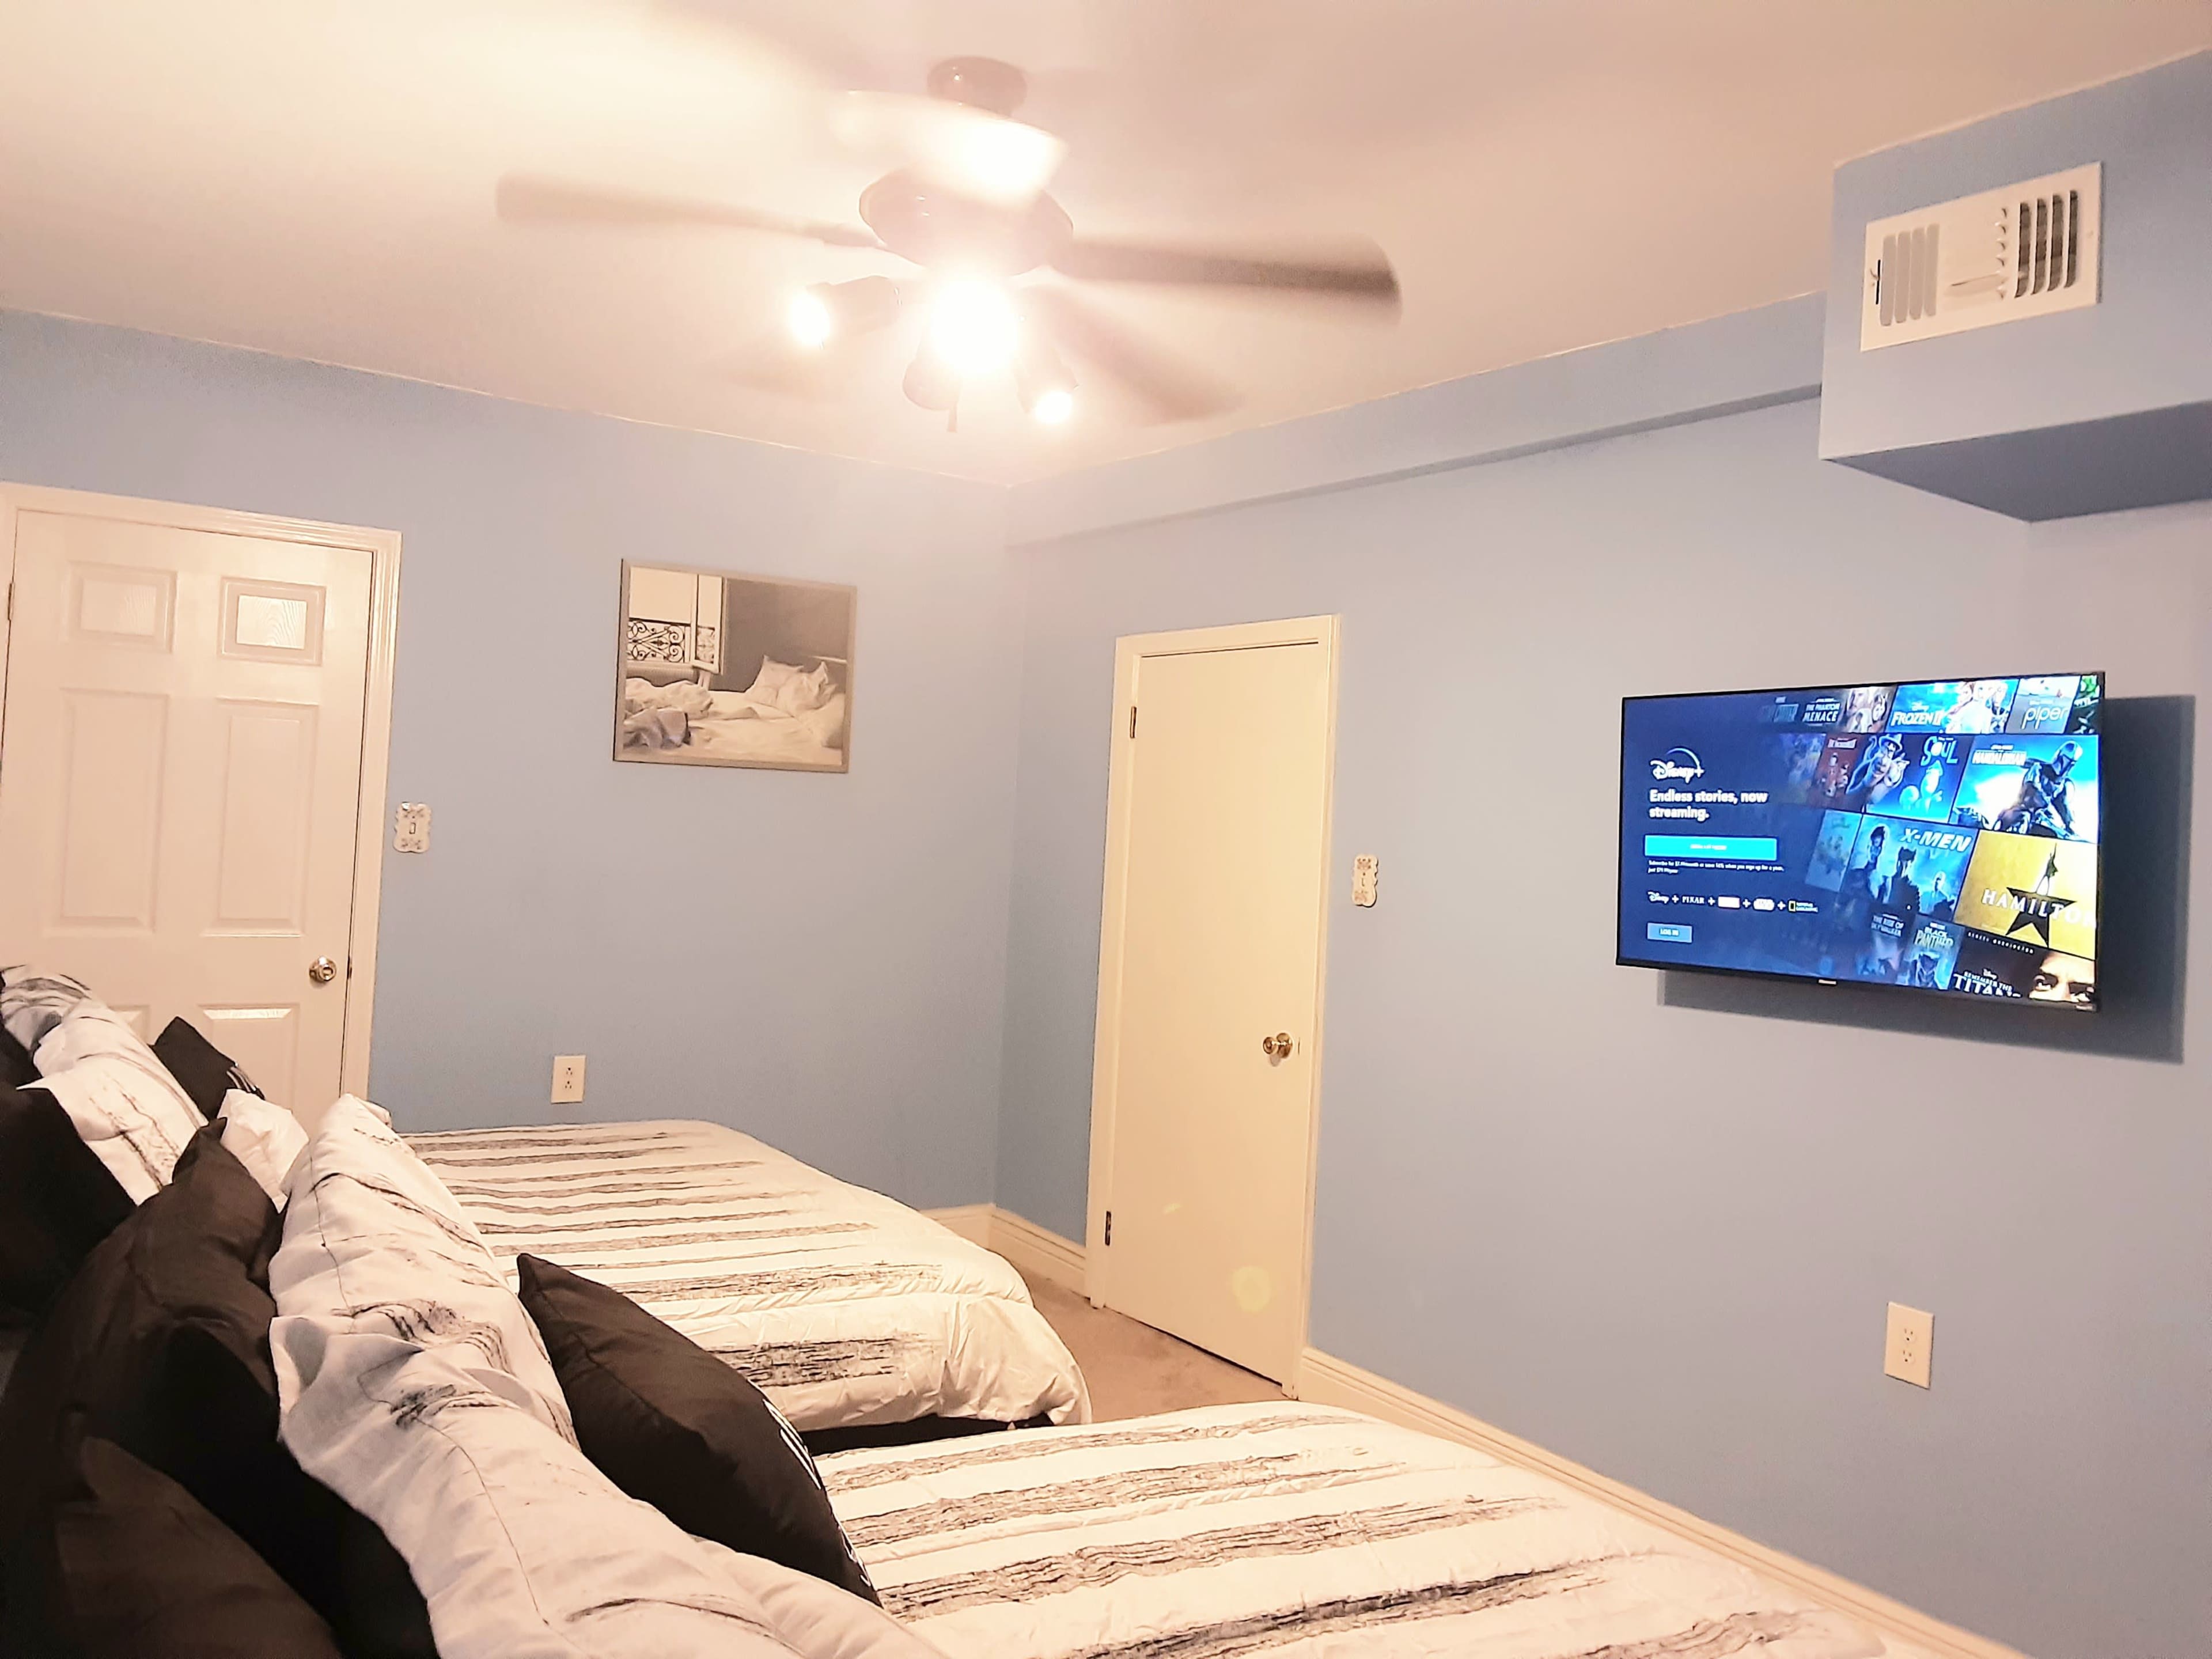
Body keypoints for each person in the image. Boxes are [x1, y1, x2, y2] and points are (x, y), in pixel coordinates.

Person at [1995, 742, 2082, 838]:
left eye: (2069, 764)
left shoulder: (2062, 785)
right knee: (2020, 821)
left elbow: (2063, 807)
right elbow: (2030, 792)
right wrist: (2041, 805)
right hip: (2022, 811)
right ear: (2058, 757)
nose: (2064, 767)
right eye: (2064, 761)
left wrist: (2069, 824)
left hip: (2041, 819)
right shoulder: (2038, 769)